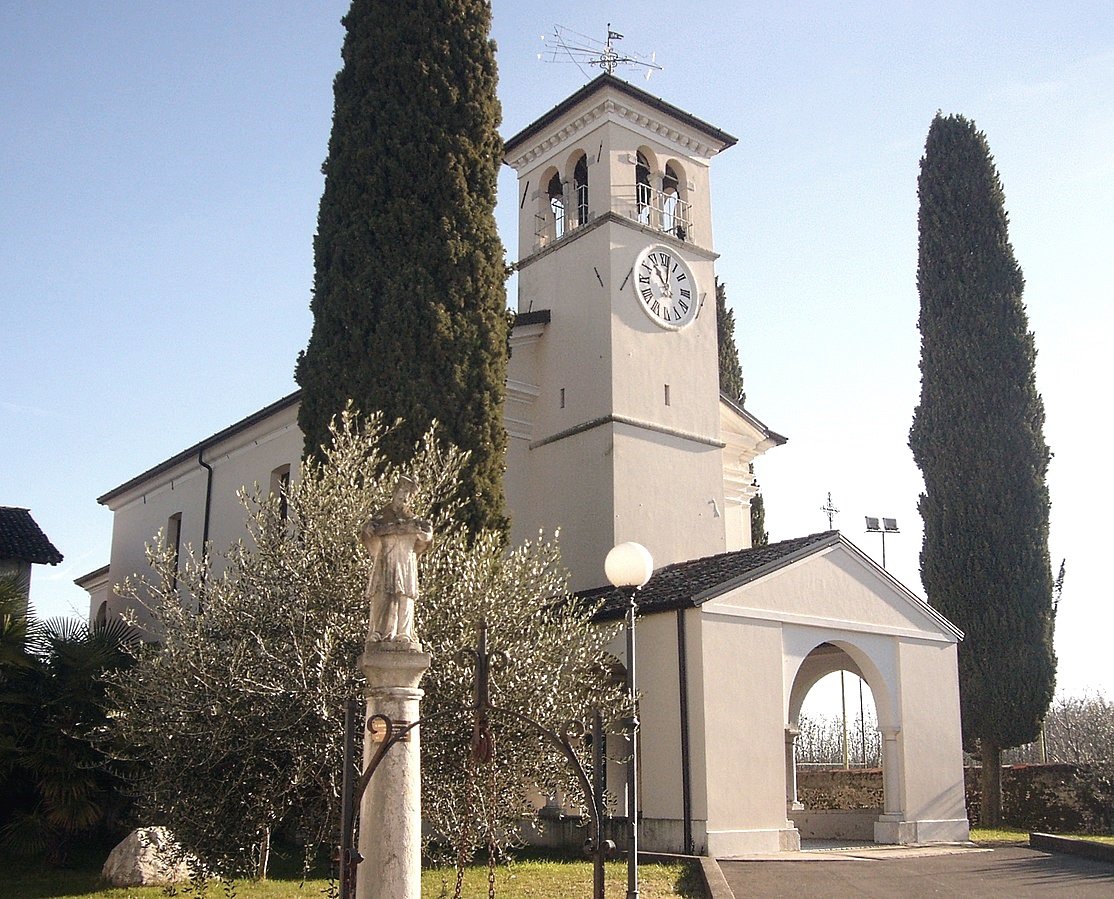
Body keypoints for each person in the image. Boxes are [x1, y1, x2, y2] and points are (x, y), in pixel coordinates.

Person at [360, 476, 433, 645]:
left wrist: (421, 534)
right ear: (395, 493)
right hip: (386, 559)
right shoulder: (380, 517)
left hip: (406, 561)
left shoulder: (415, 520)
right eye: (402, 494)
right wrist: (369, 530)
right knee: (382, 594)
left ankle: (404, 632)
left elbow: (426, 538)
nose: (405, 498)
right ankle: (378, 631)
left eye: (408, 496)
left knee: (405, 595)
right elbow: (368, 535)